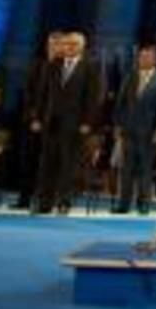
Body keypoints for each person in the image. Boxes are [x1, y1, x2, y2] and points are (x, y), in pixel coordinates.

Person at [34, 31, 102, 213]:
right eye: (68, 43)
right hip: (51, 122)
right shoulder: (54, 64)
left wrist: (88, 122)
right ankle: (45, 202)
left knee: (68, 165)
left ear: (82, 46)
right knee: (47, 163)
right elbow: (43, 93)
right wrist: (38, 117)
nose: (69, 47)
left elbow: (93, 97)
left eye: (74, 44)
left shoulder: (90, 67)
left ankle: (64, 201)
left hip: (75, 124)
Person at [113, 44, 156, 213]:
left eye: (147, 57)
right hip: (128, 130)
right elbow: (120, 103)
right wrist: (118, 125)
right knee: (126, 169)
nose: (143, 59)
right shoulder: (130, 77)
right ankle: (123, 205)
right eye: (141, 56)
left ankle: (143, 205)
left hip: (149, 133)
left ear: (155, 60)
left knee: (145, 169)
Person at [16, 32, 65, 209]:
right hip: (33, 121)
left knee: (49, 164)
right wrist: (34, 118)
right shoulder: (37, 64)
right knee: (28, 160)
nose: (54, 47)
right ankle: (24, 199)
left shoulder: (64, 67)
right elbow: (28, 93)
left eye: (58, 44)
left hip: (54, 123)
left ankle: (45, 199)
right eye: (51, 43)